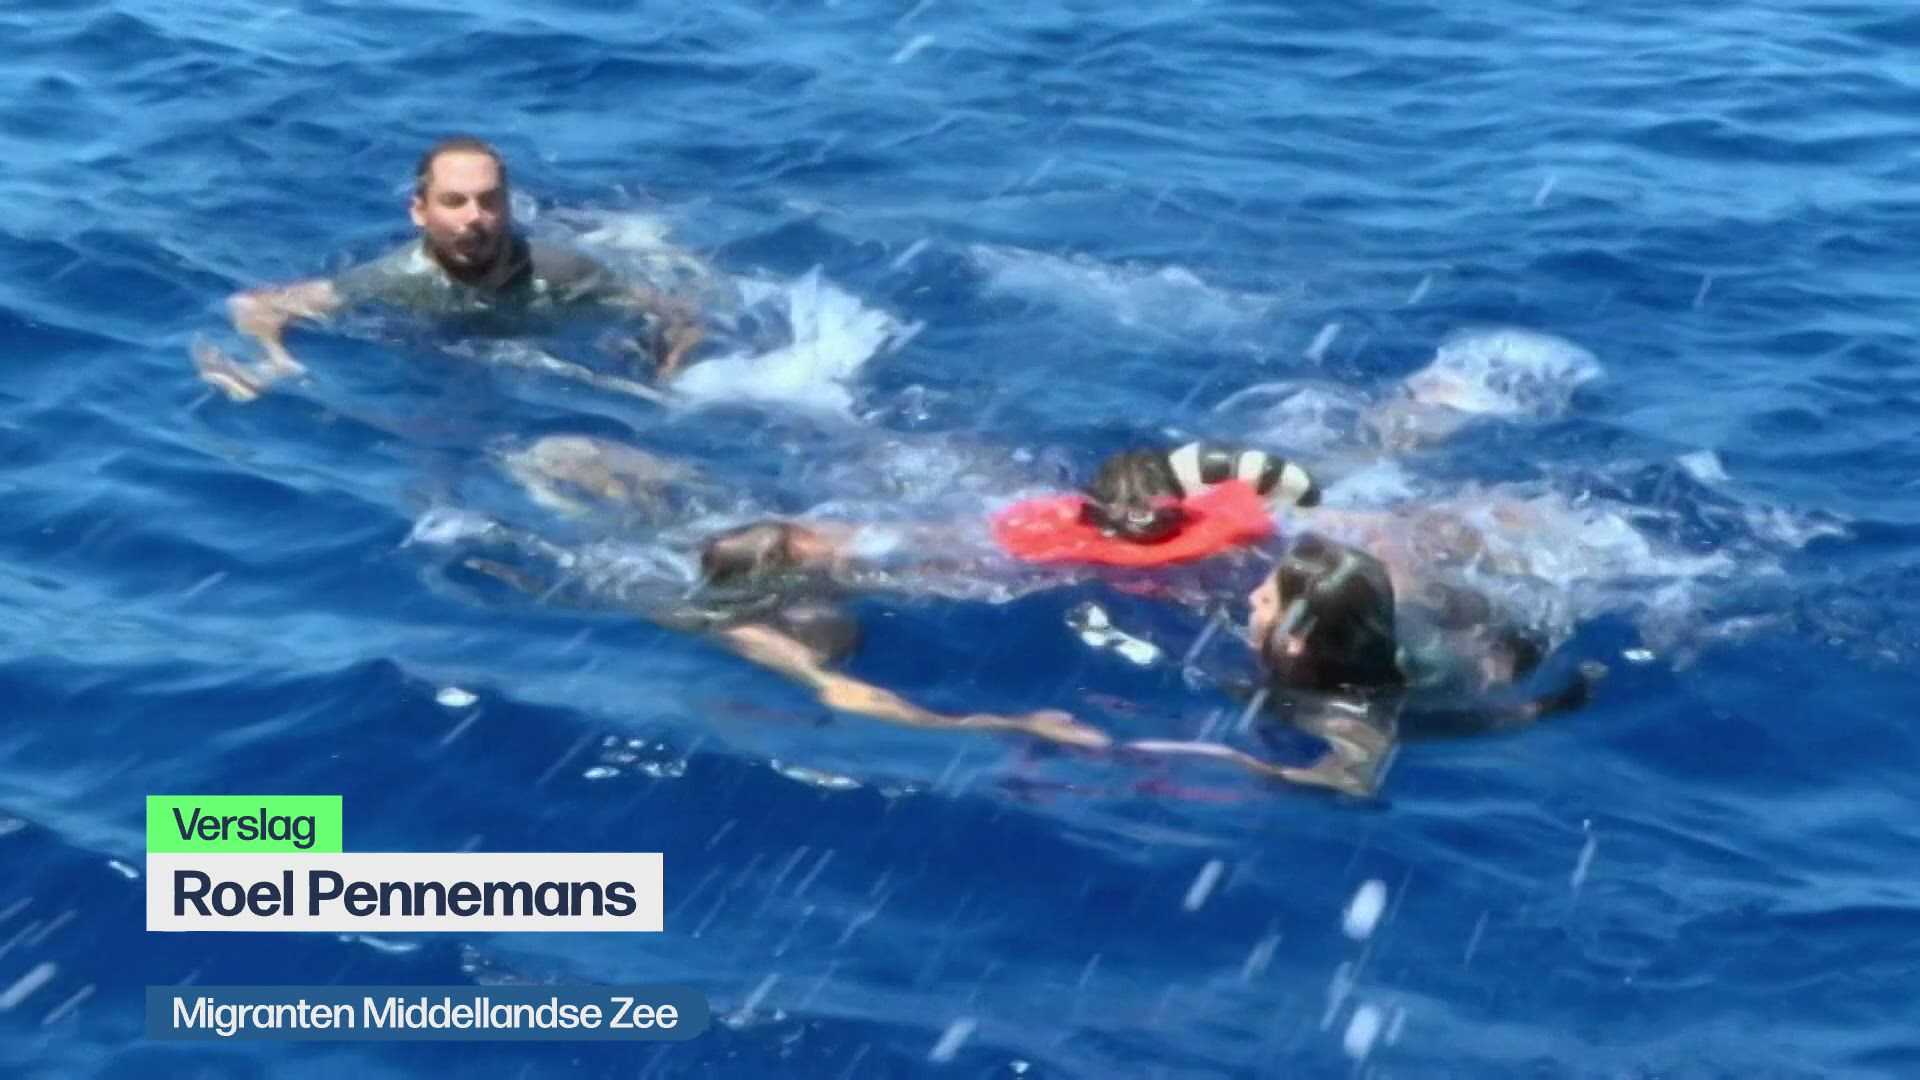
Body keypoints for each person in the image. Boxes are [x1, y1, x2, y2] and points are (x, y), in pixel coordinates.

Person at [193, 135, 705, 403]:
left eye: (488, 201)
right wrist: (273, 360)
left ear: (507, 207)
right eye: (454, 202)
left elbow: (683, 312)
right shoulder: (397, 277)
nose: (473, 218)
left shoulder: (563, 270)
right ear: (420, 211)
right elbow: (255, 304)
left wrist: (668, 369)